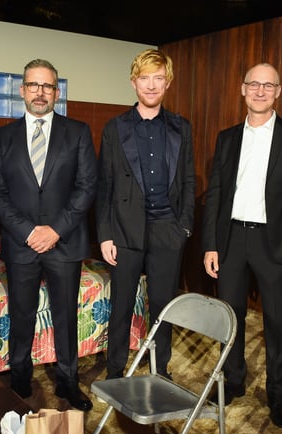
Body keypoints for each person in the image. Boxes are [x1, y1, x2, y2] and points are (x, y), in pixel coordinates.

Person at [202, 63, 282, 429]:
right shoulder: (227, 138)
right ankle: (233, 382)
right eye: (254, 84)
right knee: (230, 316)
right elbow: (217, 194)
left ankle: (277, 395)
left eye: (269, 85)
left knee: (278, 322)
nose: (260, 91)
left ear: (279, 92)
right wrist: (210, 244)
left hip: (276, 242)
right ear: (242, 89)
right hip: (233, 239)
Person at [0, 59, 97, 411]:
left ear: (56, 93)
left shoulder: (78, 132)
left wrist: (55, 230)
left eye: (47, 86)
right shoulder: (3, 136)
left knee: (66, 316)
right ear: (22, 90)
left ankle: (68, 382)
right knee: (22, 314)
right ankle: (19, 379)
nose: (40, 92)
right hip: (22, 244)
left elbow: (86, 187)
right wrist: (28, 231)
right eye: (33, 85)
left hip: (64, 242)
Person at [95, 49, 196, 380]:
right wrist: (105, 234)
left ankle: (160, 368)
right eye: (144, 78)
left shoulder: (182, 128)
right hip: (125, 231)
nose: (151, 86)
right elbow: (105, 184)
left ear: (168, 83)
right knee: (121, 305)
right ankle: (115, 369)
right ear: (133, 82)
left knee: (163, 307)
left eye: (158, 78)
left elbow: (188, 179)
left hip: (168, 229)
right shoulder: (115, 128)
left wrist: (184, 227)